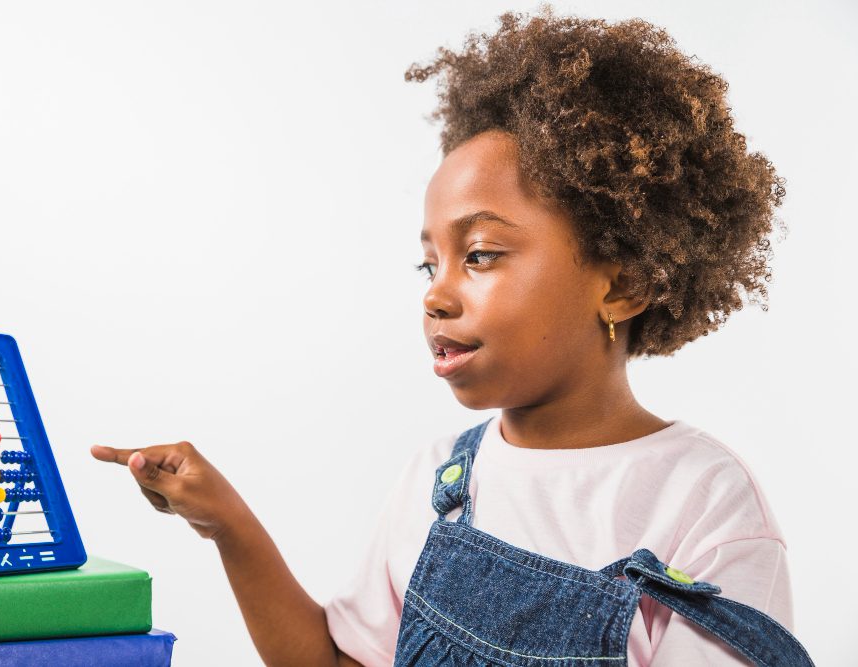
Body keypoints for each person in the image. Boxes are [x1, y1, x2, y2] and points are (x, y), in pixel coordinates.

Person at [91, 5, 815, 665]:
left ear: (620, 284)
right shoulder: (442, 483)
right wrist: (229, 525)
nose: (436, 294)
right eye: (429, 262)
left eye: (480, 256)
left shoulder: (704, 501)